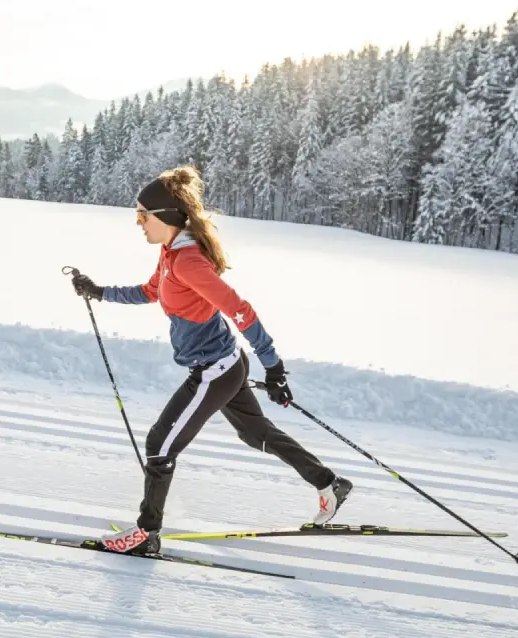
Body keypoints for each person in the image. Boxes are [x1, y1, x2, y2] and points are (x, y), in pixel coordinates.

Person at [70, 166, 354, 556]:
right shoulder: (170, 253)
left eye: (143, 215)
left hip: (214, 370)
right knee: (257, 434)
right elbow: (152, 291)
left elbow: (241, 311)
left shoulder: (188, 261)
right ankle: (328, 483)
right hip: (225, 364)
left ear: (166, 216)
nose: (138, 223)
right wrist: (101, 292)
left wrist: (273, 367)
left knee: (159, 444)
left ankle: (145, 535)